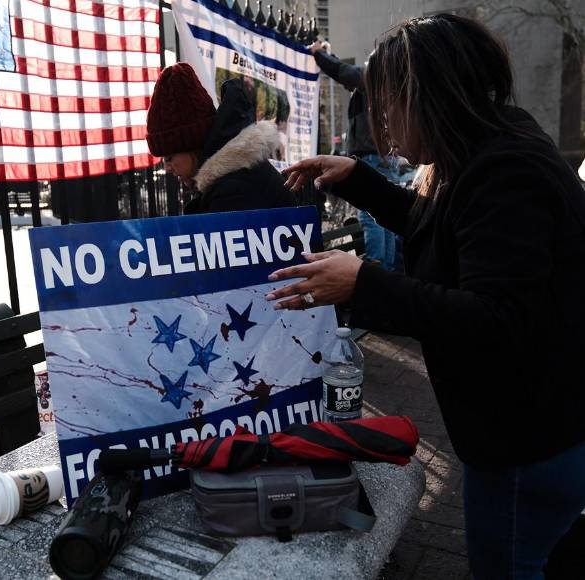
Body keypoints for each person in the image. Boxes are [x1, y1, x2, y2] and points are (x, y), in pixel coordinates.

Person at [268, 14, 585, 579]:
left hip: (529, 442)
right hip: (525, 429)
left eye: (391, 101)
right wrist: (360, 182)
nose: (384, 119)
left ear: (431, 96)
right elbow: (447, 228)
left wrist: (366, 282)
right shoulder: (487, 149)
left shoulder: (505, 171)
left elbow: (499, 318)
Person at [145, 63, 296, 214]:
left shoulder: (232, 189)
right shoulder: (231, 177)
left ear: (192, 144)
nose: (166, 167)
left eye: (169, 158)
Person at [309, 39, 399, 271]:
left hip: (370, 154)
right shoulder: (386, 80)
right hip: (384, 154)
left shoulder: (374, 76)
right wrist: (329, 55)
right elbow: (347, 74)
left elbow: (343, 73)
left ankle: (376, 262)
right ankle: (387, 265)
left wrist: (319, 55)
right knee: (389, 212)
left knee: (372, 213)